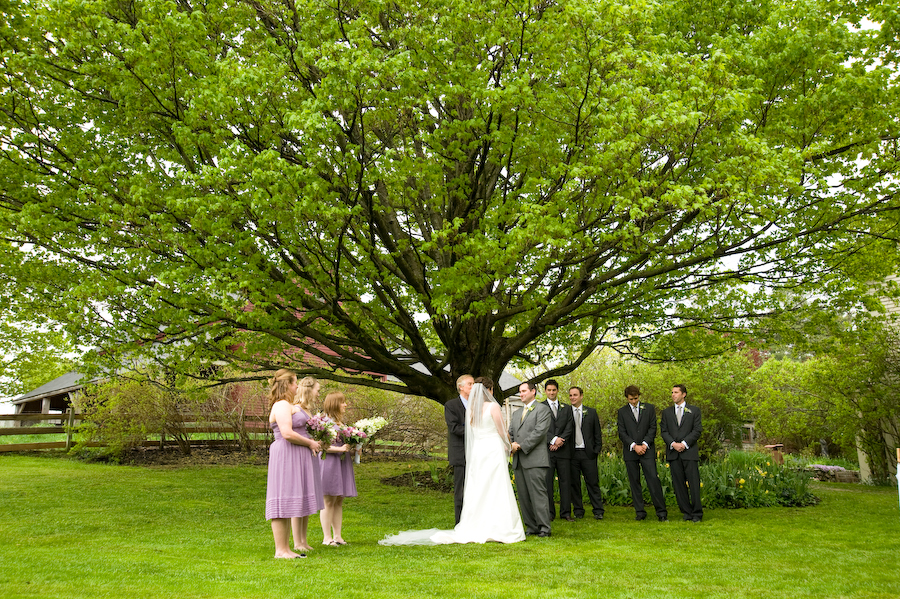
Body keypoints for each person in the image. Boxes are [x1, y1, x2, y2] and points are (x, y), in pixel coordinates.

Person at [379, 379, 525, 545]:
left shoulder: (472, 410)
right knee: (496, 486)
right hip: (492, 450)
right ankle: (500, 526)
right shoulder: (493, 407)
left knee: (480, 487)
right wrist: (509, 445)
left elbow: (473, 433)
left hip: (478, 452)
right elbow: (501, 430)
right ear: (489, 390)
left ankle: (479, 524)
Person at [265, 371, 323, 559]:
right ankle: (280, 550)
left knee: (289, 500)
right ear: (286, 385)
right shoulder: (281, 405)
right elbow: (287, 433)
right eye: (294, 383)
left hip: (295, 455)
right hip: (285, 455)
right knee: (282, 500)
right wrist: (310, 443)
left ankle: (286, 548)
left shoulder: (288, 405)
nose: (297, 387)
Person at [617, 385, 668, 522]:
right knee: (634, 482)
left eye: (636, 398)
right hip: (631, 452)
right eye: (631, 399)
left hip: (647, 450)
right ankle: (640, 512)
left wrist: (644, 444)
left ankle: (661, 512)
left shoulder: (649, 408)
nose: (634, 401)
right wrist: (634, 446)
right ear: (626, 398)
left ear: (639, 396)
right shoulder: (622, 412)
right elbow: (622, 432)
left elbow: (653, 428)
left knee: (653, 480)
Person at [509, 381, 552, 537]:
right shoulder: (516, 413)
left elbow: (539, 432)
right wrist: (511, 443)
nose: (521, 394)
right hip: (519, 462)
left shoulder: (542, 410)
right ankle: (531, 526)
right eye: (520, 392)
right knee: (524, 496)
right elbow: (511, 432)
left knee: (538, 495)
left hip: (535, 460)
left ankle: (544, 527)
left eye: (524, 391)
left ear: (533, 391)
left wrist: (520, 446)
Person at [319, 391, 357, 546]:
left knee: (339, 500)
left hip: (342, 462)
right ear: (334, 404)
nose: (345, 404)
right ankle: (326, 538)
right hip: (330, 462)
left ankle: (338, 536)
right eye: (342, 402)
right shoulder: (324, 423)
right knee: (328, 500)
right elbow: (321, 447)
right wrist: (340, 449)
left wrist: (354, 446)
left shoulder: (342, 424)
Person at [661, 384, 704, 522]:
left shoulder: (694, 410)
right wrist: (673, 444)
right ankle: (686, 512)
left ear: (684, 394)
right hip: (674, 453)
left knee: (693, 484)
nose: (673, 395)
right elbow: (664, 431)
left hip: (689, 452)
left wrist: (684, 444)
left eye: (676, 392)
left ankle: (697, 513)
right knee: (678, 485)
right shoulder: (666, 412)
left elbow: (697, 430)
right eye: (672, 392)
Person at [568, 386, 604, 520]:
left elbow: (597, 433)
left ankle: (598, 510)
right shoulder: (566, 412)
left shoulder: (591, 412)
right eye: (570, 395)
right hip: (572, 454)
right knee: (574, 484)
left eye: (575, 395)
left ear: (581, 396)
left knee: (592, 482)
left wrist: (596, 450)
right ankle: (578, 510)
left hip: (588, 453)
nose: (572, 397)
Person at [543, 379, 574, 522]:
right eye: (549, 390)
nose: (551, 392)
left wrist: (560, 440)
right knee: (548, 482)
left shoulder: (566, 408)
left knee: (565, 481)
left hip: (563, 450)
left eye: (554, 390)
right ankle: (549, 512)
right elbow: (540, 428)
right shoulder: (540, 407)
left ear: (557, 391)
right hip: (547, 451)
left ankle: (566, 512)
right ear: (545, 391)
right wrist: (553, 440)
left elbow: (570, 426)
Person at [444, 373, 473, 524]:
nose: (472, 387)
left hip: (476, 454)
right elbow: (454, 428)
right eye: (470, 384)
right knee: (460, 490)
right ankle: (460, 522)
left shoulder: (477, 405)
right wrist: (474, 432)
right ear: (461, 387)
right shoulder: (451, 405)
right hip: (460, 453)